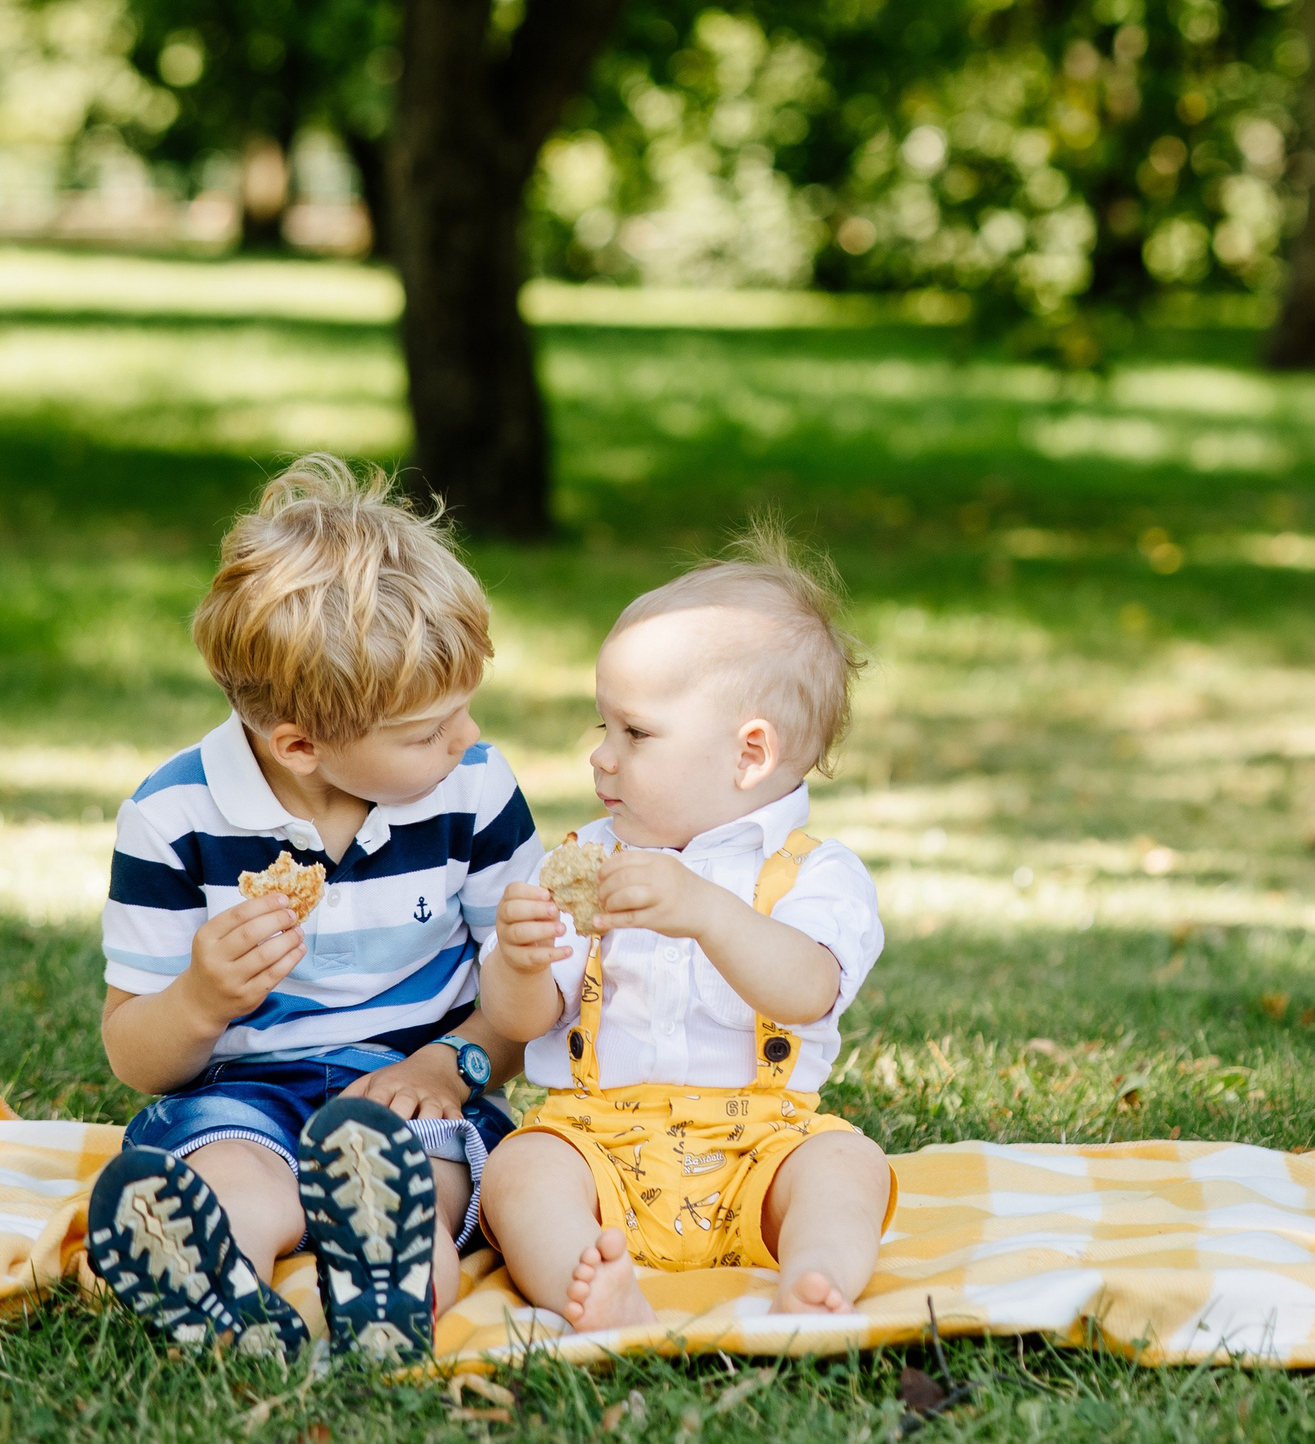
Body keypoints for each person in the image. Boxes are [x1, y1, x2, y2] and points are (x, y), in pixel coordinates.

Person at [83, 454, 539, 1364]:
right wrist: (202, 999)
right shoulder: (174, 819)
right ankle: (227, 1297)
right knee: (230, 1182)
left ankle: (396, 1285)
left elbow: (520, 1012)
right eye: (426, 731)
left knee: (431, 1177)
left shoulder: (474, 791)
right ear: (299, 743)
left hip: (417, 1087)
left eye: (466, 710)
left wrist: (453, 1067)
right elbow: (135, 1051)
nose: (469, 737)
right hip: (243, 1094)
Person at [477, 528, 895, 1331]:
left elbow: (808, 989)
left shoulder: (814, 874)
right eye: (603, 726)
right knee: (520, 1169)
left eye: (634, 733)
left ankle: (813, 1275)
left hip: (761, 1146)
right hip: (597, 1141)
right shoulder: (582, 861)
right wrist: (522, 962)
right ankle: (593, 1283)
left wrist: (705, 911)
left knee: (847, 1164)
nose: (601, 757)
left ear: (749, 754)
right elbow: (521, 1019)